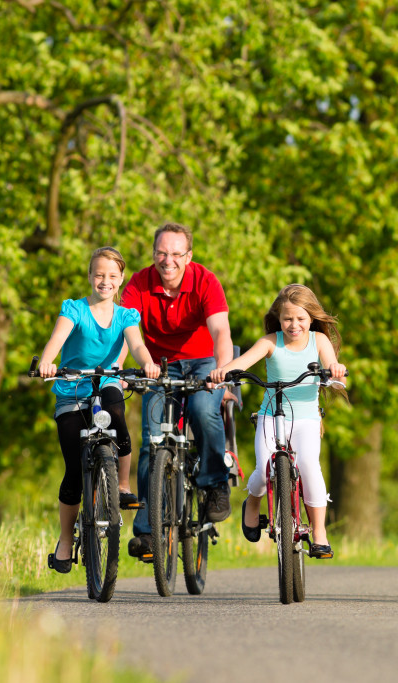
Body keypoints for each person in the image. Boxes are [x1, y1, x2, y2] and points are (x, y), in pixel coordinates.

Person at [37, 247, 161, 573]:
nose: (104, 281)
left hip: (106, 381)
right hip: (72, 388)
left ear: (120, 279)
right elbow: (57, 339)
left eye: (112, 276)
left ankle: (121, 485)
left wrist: (146, 363)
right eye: (98, 274)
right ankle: (65, 540)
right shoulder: (74, 309)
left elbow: (135, 344)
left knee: (117, 417)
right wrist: (48, 362)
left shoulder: (126, 315)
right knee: (74, 472)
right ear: (90, 276)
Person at [121, 222, 234, 561]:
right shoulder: (140, 283)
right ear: (153, 253)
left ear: (188, 256)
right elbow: (127, 331)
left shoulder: (205, 281)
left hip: (204, 362)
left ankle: (215, 482)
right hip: (158, 364)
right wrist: (130, 367)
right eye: (161, 253)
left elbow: (221, 331)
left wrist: (222, 371)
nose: (167, 260)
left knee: (202, 410)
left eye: (175, 253)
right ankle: (147, 533)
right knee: (152, 440)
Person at [209, 284, 347, 559]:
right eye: (287, 319)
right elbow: (243, 363)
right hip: (271, 416)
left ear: (311, 318)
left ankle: (319, 532)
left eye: (300, 318)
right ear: (279, 318)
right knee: (262, 468)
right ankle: (253, 503)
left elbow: (332, 365)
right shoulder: (271, 341)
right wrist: (222, 372)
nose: (294, 325)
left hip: (306, 418)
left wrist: (336, 371)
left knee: (309, 467)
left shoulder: (318, 341)